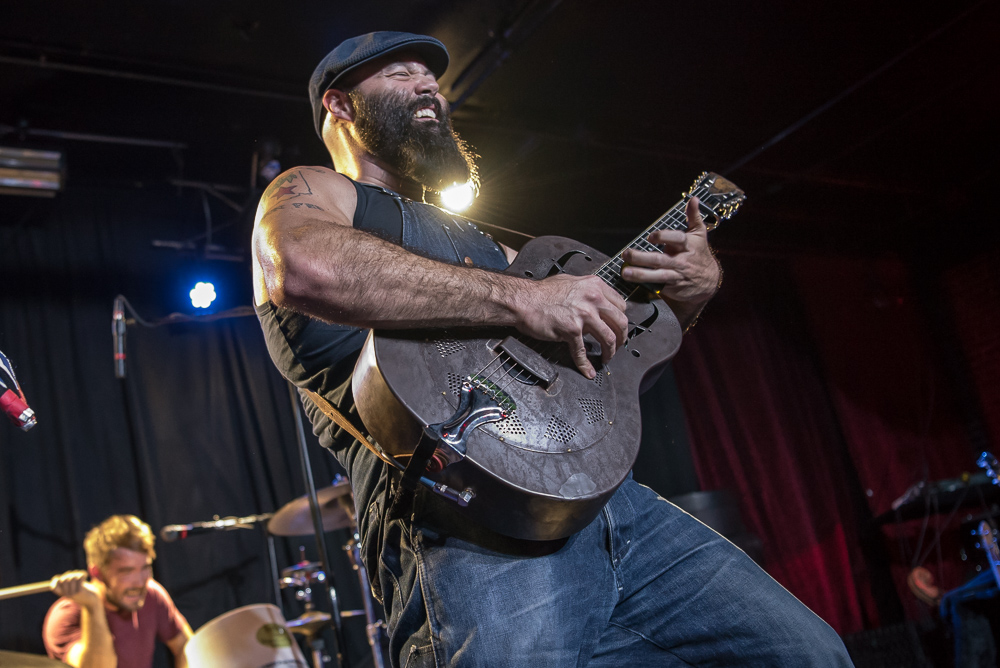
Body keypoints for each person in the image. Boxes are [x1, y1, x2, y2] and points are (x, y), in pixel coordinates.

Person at [253, 31, 854, 667]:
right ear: (341, 106)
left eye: (431, 77)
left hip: (605, 506)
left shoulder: (483, 246)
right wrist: (526, 300)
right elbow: (303, 266)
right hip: (464, 518)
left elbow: (600, 371)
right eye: (401, 74)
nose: (428, 85)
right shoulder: (318, 192)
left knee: (806, 654)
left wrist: (689, 295)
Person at [43, 514, 193, 668]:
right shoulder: (66, 614)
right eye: (127, 572)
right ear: (96, 572)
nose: (140, 582)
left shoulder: (151, 593)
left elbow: (187, 647)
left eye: (145, 568)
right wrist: (93, 607)